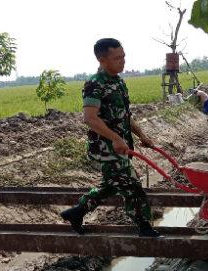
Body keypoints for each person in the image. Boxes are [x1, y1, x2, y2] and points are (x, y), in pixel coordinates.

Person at [60, 38, 160, 238]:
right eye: (117, 58)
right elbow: (89, 118)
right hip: (105, 150)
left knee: (111, 185)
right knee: (132, 186)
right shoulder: (94, 84)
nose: (123, 61)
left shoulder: (119, 82)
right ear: (102, 59)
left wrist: (142, 136)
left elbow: (125, 116)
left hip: (120, 147)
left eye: (124, 57)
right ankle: (144, 227)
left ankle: (77, 212)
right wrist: (115, 138)